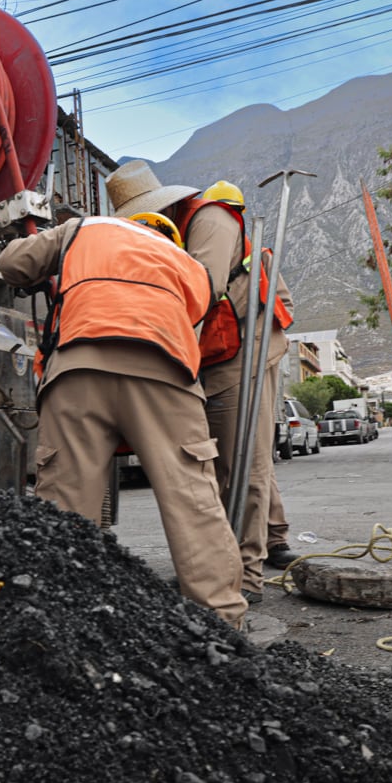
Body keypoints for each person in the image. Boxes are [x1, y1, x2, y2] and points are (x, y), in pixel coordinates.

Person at [0, 211, 247, 628]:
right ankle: (222, 621)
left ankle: (64, 624)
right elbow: (200, 308)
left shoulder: (84, 227)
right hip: (166, 369)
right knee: (192, 498)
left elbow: (12, 263)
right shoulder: (185, 260)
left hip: (79, 366)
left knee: (66, 501)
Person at [108, 160, 296, 601]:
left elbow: (201, 290)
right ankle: (267, 542)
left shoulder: (208, 218)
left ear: (162, 209)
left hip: (244, 349)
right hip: (216, 352)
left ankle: (242, 577)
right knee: (237, 456)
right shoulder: (177, 232)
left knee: (241, 463)